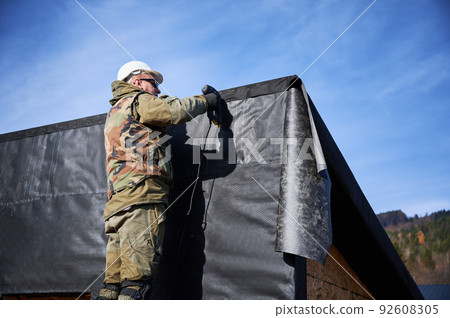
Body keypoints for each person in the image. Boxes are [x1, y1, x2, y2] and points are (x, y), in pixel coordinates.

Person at [98, 61, 220, 300]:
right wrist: (208, 101)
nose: (158, 90)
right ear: (136, 82)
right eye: (153, 83)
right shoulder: (137, 100)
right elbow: (173, 111)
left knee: (111, 287)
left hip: (118, 205)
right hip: (142, 197)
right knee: (136, 283)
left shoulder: (115, 112)